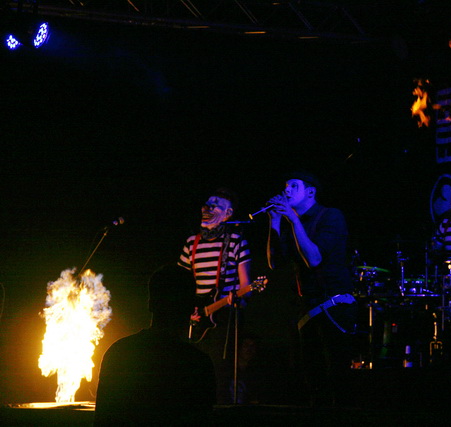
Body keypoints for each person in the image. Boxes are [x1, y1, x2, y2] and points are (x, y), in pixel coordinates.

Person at [266, 171, 356, 406]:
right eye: (285, 186)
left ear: (310, 192)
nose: (286, 190)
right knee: (310, 374)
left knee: (335, 371)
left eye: (293, 186)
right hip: (306, 306)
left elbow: (314, 259)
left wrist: (293, 219)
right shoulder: (291, 223)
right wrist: (274, 221)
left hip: (334, 305)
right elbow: (274, 263)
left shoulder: (331, 216)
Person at [94, 264, 215, 426]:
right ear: (190, 308)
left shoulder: (118, 353)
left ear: (150, 304)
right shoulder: (198, 363)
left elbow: (103, 420)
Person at [177, 187, 252, 404]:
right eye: (207, 203)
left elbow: (246, 286)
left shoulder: (236, 241)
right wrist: (187, 311)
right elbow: (181, 283)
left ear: (228, 214)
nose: (208, 207)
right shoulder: (191, 242)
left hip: (225, 318)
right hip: (196, 318)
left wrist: (239, 301)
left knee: (219, 372)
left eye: (216, 205)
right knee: (192, 372)